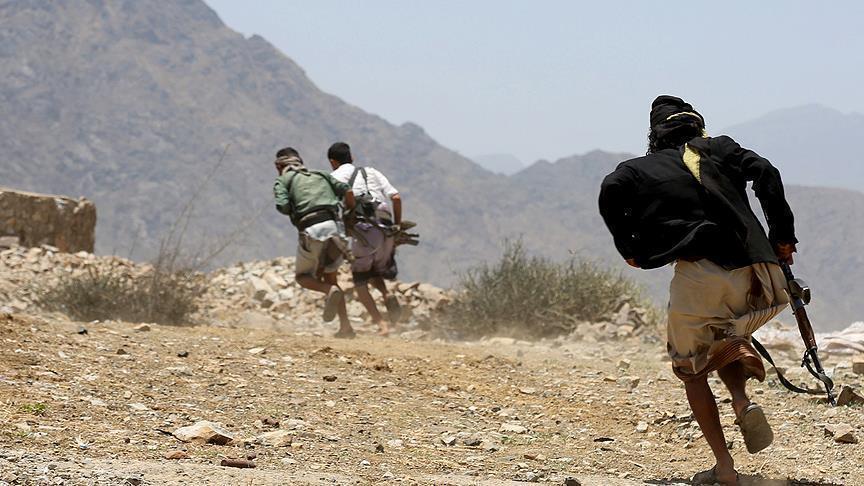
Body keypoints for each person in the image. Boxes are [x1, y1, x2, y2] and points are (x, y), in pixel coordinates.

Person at [598, 96, 798, 485]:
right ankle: (741, 400)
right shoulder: (721, 148)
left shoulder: (639, 169)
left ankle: (725, 468)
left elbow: (611, 187)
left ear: (655, 135)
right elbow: (766, 171)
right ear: (697, 127)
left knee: (691, 369)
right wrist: (782, 237)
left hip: (703, 275)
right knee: (724, 339)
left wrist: (631, 247)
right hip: (763, 274)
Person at [272, 147, 357, 338]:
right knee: (331, 277)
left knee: (303, 277)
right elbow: (348, 190)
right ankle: (346, 327)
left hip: (311, 232)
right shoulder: (321, 174)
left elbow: (282, 207)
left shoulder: (283, 180)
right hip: (335, 230)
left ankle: (328, 290)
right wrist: (350, 213)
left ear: (279, 166)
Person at [327, 142, 403, 336]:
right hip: (386, 230)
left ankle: (382, 325)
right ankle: (387, 293)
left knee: (360, 281)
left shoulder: (335, 176)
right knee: (375, 271)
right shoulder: (372, 172)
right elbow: (395, 197)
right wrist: (397, 226)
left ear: (332, 162)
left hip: (364, 231)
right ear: (352, 158)